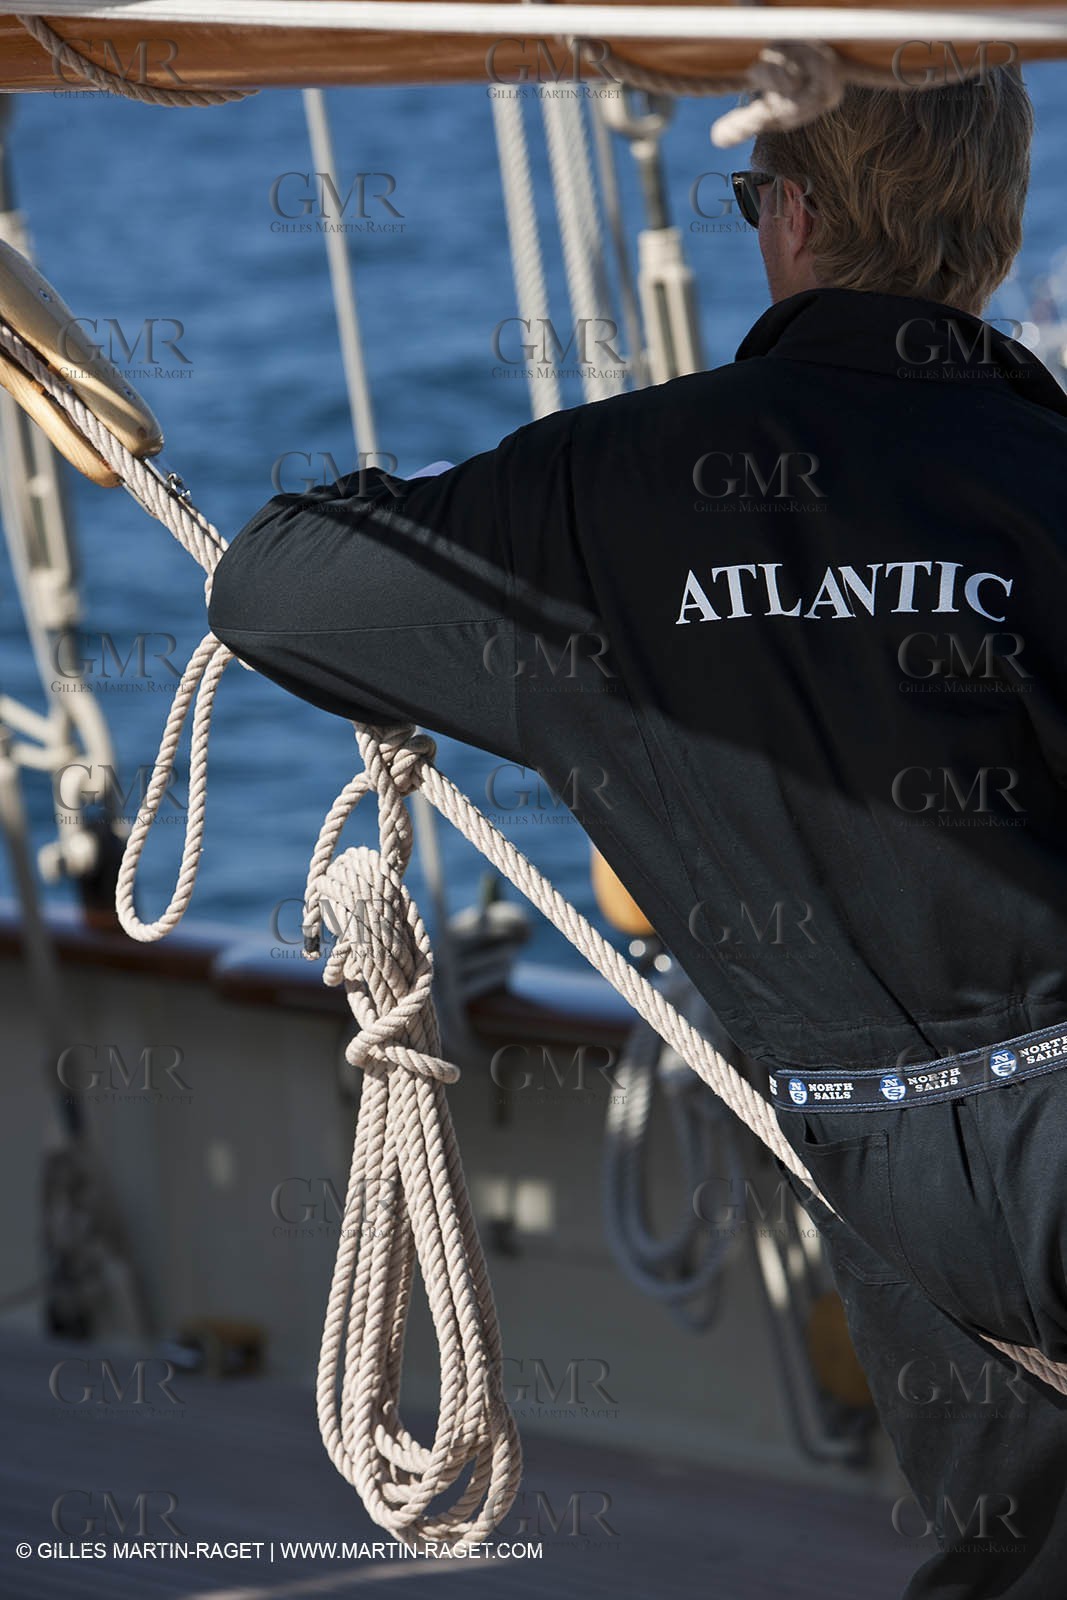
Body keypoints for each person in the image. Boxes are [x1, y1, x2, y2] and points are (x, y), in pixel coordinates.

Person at [208, 66, 1067, 1597]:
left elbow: (275, 588)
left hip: (885, 1188)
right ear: (991, 237)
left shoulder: (607, 494)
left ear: (793, 213)